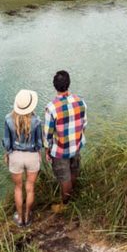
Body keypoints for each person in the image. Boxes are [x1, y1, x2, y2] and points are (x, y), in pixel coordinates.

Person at [44, 70, 86, 211]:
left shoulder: (51, 108)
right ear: (68, 84)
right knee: (73, 171)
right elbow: (84, 125)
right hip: (76, 145)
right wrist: (78, 139)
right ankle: (72, 196)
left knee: (64, 178)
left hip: (61, 150)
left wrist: (47, 149)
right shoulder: (80, 102)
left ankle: (66, 205)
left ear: (55, 86)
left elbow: (48, 134)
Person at [3, 89, 43, 227]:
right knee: (30, 188)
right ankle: (28, 217)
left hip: (16, 157)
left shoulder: (8, 119)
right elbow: (39, 143)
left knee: (18, 188)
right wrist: (38, 153)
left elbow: (7, 142)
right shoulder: (36, 120)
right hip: (32, 156)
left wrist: (8, 154)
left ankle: (20, 219)